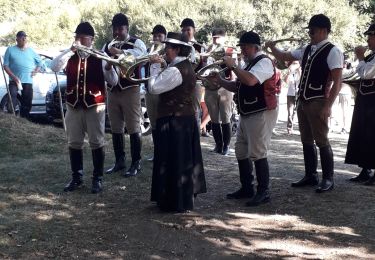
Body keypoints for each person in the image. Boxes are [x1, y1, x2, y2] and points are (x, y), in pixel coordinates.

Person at [265, 14, 343, 193]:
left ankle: (328, 178)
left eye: (313, 30)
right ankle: (311, 175)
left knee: (322, 140)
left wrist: (328, 105)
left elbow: (337, 81)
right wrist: (272, 47)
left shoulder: (333, 51)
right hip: (304, 100)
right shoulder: (307, 48)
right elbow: (285, 56)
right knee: (306, 140)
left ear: (324, 30)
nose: (310, 33)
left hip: (318, 100)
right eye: (310, 30)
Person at [207, 31, 278, 206]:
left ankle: (264, 191)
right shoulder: (249, 63)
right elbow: (239, 85)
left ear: (255, 47)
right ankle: (247, 187)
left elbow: (251, 81)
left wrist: (233, 67)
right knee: (241, 149)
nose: (243, 50)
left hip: (261, 111)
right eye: (242, 47)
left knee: (258, 151)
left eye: (245, 47)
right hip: (248, 112)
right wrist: (220, 81)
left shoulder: (264, 62)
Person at [51, 22, 118, 193]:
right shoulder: (70, 55)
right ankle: (77, 177)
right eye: (77, 37)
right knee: (74, 142)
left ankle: (98, 178)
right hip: (73, 105)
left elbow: (114, 81)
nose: (79, 40)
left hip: (94, 106)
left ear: (91, 40)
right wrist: (69, 51)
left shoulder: (100, 56)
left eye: (82, 37)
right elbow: (54, 66)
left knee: (96, 141)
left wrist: (110, 67)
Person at [149, 32, 206, 213]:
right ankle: (179, 198)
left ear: (177, 49)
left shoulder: (176, 70)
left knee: (173, 160)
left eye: (168, 48)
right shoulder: (182, 65)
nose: (165, 51)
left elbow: (154, 88)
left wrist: (155, 68)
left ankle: (173, 200)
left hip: (174, 120)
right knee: (180, 160)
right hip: (182, 119)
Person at [104, 13, 147, 177]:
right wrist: (108, 62)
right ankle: (119, 161)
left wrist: (120, 52)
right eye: (115, 29)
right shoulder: (107, 45)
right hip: (113, 90)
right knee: (116, 127)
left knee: (134, 126)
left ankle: (136, 162)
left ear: (127, 28)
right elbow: (103, 61)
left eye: (121, 28)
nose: (117, 32)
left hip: (130, 89)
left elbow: (142, 57)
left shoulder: (136, 43)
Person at [345, 23, 375, 185]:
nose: (368, 40)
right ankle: (365, 169)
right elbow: (358, 72)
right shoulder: (370, 56)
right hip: (366, 101)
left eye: (371, 36)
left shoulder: (369, 58)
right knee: (364, 134)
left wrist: (361, 57)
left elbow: (366, 73)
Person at [203, 28, 234, 155]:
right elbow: (204, 66)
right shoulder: (208, 49)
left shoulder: (229, 50)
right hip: (210, 87)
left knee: (226, 117)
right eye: (214, 37)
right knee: (214, 118)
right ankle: (218, 145)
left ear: (224, 38)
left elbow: (232, 68)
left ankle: (226, 146)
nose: (216, 40)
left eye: (218, 37)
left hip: (224, 87)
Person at [3, 31, 42, 118]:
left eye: (25, 37)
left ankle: (25, 119)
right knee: (12, 97)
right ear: (17, 39)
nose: (24, 38)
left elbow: (40, 62)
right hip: (14, 80)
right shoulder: (10, 50)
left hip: (28, 80)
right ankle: (11, 118)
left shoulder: (31, 51)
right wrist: (14, 77)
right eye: (21, 37)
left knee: (27, 101)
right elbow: (5, 66)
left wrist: (36, 71)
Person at [144, 24, 167, 161]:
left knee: (163, 122)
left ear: (165, 37)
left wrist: (162, 61)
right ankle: (157, 152)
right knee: (153, 123)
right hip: (149, 91)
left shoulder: (168, 51)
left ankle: (165, 153)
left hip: (163, 93)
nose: (157, 38)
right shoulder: (148, 51)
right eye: (155, 35)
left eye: (160, 35)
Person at [180, 18, 205, 127]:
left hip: (196, 83)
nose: (185, 32)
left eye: (188, 30)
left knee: (194, 110)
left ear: (194, 30)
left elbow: (204, 66)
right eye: (183, 30)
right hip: (180, 82)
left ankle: (195, 138)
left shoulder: (200, 46)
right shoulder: (179, 45)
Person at [284, 61, 301, 134]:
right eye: (293, 63)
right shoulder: (291, 72)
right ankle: (289, 128)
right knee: (290, 112)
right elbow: (286, 82)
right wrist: (289, 72)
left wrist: (299, 71)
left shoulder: (301, 71)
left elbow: (302, 80)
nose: (294, 65)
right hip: (291, 94)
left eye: (296, 63)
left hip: (299, 93)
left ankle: (301, 129)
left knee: (300, 112)